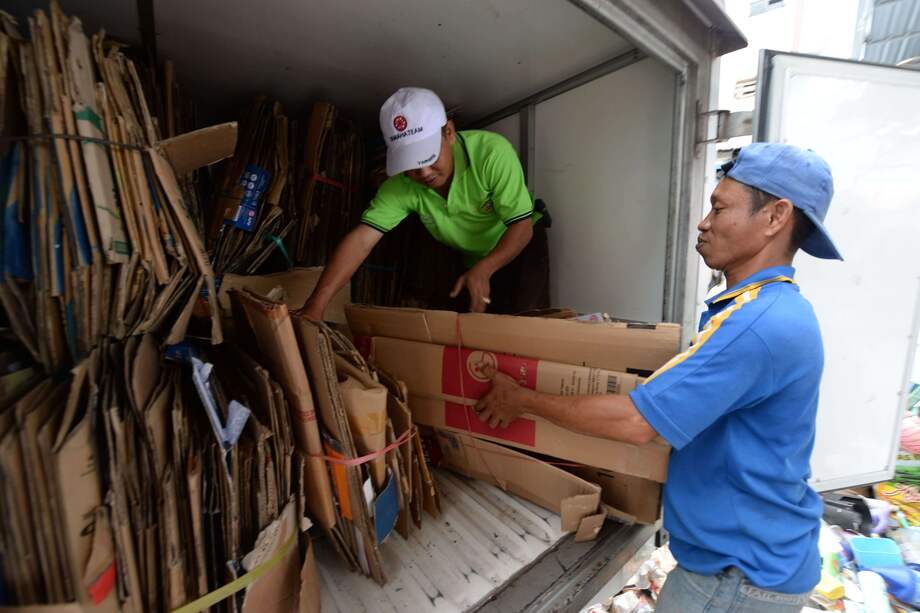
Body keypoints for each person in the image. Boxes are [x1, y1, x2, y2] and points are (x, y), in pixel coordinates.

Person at [476, 143, 843, 612]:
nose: (703, 221)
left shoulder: (760, 324)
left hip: (736, 579)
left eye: (719, 207)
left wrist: (521, 399)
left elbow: (636, 422)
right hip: (749, 565)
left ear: (775, 216)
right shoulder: (766, 311)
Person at [302, 87, 548, 320]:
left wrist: (485, 269)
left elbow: (522, 226)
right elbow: (361, 241)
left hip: (521, 246)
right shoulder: (401, 185)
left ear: (449, 133)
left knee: (524, 322)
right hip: (471, 259)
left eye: (429, 157)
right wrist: (315, 307)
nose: (424, 172)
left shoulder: (492, 153)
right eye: (412, 164)